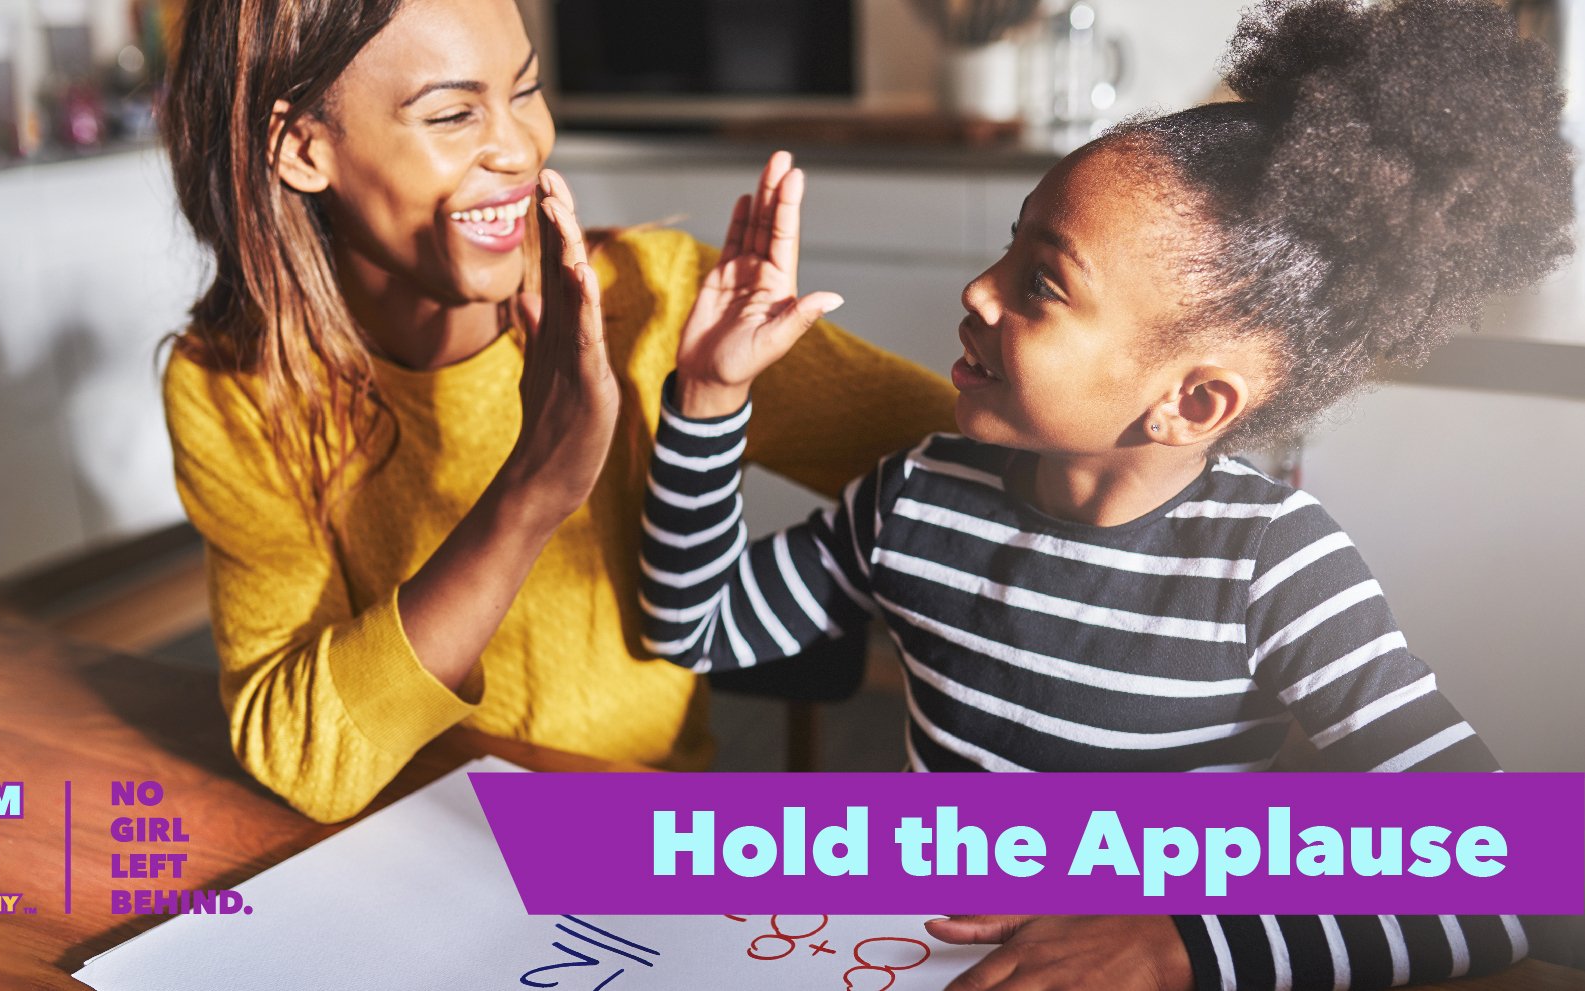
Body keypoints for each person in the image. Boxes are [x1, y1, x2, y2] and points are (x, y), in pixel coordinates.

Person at [635, 0, 1574, 988]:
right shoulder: (915, 496)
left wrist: (1178, 944)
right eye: (1010, 244)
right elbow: (696, 628)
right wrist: (708, 397)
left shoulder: (1272, 565)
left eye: (1041, 281)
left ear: (1191, 400)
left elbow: (1509, 869)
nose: (978, 290)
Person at [156, 0, 955, 825]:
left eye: (526, 91)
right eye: (453, 112)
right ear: (301, 147)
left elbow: (1011, 466)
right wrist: (530, 494)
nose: (518, 148)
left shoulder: (660, 300)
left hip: (634, 840)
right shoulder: (235, 385)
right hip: (403, 841)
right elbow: (305, 759)